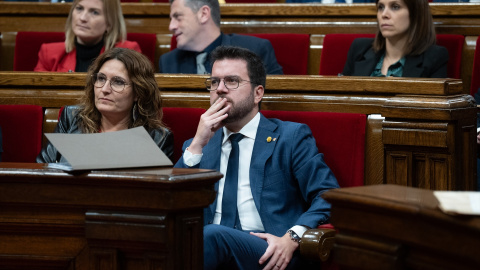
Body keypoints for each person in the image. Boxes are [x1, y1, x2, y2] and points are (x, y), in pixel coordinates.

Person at [174, 46, 339, 270]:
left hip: (271, 252)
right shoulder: (198, 146)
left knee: (212, 236)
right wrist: (196, 145)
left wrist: (292, 237)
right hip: (208, 252)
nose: (220, 89)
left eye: (231, 81)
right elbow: (171, 204)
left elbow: (328, 195)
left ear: (257, 93)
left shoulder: (290, 138)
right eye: (214, 82)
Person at [37, 48, 174, 163]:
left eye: (118, 82)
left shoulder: (157, 138)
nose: (105, 89)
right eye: (101, 79)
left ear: (138, 92)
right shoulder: (72, 118)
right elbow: (43, 167)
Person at [159, 0, 283, 75]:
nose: (171, 26)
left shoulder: (255, 50)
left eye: (178, 17)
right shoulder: (168, 62)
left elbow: (273, 105)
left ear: (203, 14)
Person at [342, 0, 449, 78]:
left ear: (415, 14)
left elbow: (431, 107)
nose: (384, 14)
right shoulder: (359, 49)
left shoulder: (434, 57)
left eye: (395, 7)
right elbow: (343, 100)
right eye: (381, 7)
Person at [34, 0, 141, 72]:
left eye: (94, 12)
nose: (83, 18)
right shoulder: (49, 53)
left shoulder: (128, 52)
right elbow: (37, 97)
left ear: (110, 22)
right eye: (79, 8)